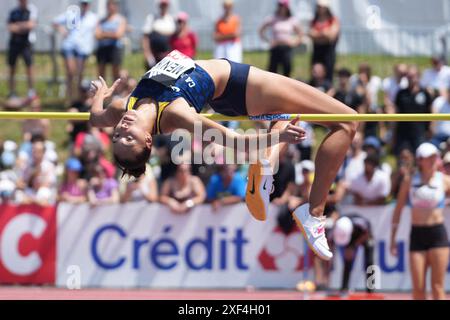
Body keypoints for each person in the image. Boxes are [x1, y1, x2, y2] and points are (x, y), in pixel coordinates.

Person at [88, 49, 358, 261]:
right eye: (128, 138)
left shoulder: (122, 108)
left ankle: (268, 162)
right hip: (239, 84)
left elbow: (95, 118)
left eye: (118, 136)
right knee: (347, 121)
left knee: (285, 114)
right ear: (148, 141)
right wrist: (279, 137)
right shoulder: (176, 114)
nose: (122, 130)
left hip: (228, 91)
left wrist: (100, 94)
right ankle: (315, 213)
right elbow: (235, 142)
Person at [390, 143, 450, 300]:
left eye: (433, 157)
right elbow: (398, 210)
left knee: (438, 287)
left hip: (437, 234)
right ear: (420, 160)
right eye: (427, 157)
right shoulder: (410, 181)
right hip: (417, 234)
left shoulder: (444, 180)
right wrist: (393, 238)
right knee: (418, 289)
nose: (431, 160)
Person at [53, 0, 97, 102]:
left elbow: (98, 29)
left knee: (80, 73)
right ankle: (70, 97)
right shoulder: (72, 14)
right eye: (83, 4)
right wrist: (62, 30)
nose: (84, 6)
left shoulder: (93, 18)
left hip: (83, 48)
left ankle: (78, 98)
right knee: (71, 72)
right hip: (69, 45)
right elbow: (55, 22)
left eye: (86, 4)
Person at [394, 66, 432, 155]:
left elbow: (431, 112)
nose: (411, 79)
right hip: (403, 133)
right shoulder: (401, 93)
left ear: (418, 76)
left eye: (413, 76)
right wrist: (394, 134)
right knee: (404, 157)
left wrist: (430, 130)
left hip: (420, 133)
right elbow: (396, 113)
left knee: (421, 157)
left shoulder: (425, 93)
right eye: (409, 76)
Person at [259, 0, 302, 77]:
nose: (282, 8)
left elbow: (300, 33)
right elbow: (261, 29)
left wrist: (294, 42)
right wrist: (268, 41)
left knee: (287, 69)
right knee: (272, 70)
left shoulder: (291, 19)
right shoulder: (273, 17)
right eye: (280, 5)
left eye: (283, 6)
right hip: (276, 47)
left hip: (286, 47)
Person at [333, 215, 375, 294]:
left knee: (369, 262)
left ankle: (370, 289)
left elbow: (367, 234)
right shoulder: (340, 224)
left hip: (365, 235)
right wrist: (349, 247)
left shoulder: (362, 224)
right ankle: (344, 288)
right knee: (348, 260)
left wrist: (354, 245)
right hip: (349, 236)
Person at [7, 0, 38, 100]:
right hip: (14, 43)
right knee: (12, 68)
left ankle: (31, 92)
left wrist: (18, 26)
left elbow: (31, 25)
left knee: (29, 67)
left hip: (25, 44)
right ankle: (12, 92)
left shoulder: (30, 11)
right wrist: (24, 26)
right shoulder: (13, 12)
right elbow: (10, 27)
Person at [95, 0, 127, 80]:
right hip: (102, 48)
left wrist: (104, 33)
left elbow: (118, 35)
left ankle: (116, 90)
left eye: (113, 4)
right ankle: (103, 90)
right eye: (109, 5)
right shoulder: (102, 20)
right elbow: (97, 35)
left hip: (115, 48)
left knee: (115, 71)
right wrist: (111, 33)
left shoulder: (120, 19)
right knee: (101, 72)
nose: (111, 7)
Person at [309, 0, 340, 82]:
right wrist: (324, 33)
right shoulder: (314, 20)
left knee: (328, 73)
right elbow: (311, 34)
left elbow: (331, 36)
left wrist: (318, 33)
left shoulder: (333, 20)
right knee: (315, 72)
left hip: (328, 51)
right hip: (317, 50)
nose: (320, 9)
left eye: (322, 7)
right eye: (319, 7)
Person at [141, 0, 176, 68]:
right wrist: (147, 54)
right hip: (155, 54)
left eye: (165, 5)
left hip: (168, 54)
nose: (163, 7)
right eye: (162, 5)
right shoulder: (151, 18)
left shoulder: (171, 19)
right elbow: (145, 37)